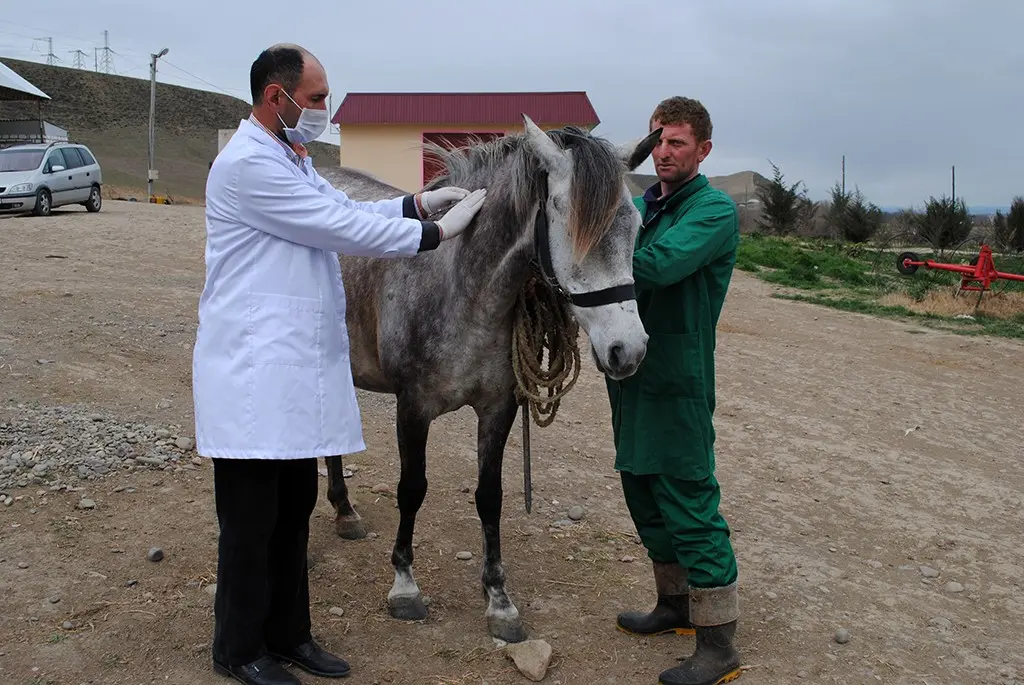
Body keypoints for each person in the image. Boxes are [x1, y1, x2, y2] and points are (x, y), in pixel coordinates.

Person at [192, 43, 486, 685]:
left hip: (290, 374)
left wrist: (416, 205)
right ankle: (238, 649)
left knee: (294, 510)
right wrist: (437, 235)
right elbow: (338, 228)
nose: (325, 108)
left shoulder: (291, 156)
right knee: (249, 524)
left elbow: (352, 210)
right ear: (278, 95)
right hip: (253, 373)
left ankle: (289, 636)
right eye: (318, 97)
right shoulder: (247, 164)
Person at [605, 96, 742, 685]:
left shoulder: (713, 211)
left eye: (677, 143)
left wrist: (590, 247)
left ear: (703, 150)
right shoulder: (644, 206)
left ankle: (718, 646)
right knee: (641, 488)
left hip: (679, 376)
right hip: (635, 375)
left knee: (688, 499)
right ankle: (674, 605)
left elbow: (657, 266)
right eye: (658, 140)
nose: (663, 152)